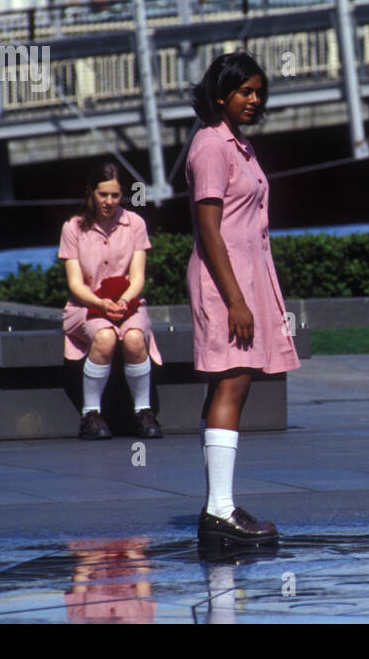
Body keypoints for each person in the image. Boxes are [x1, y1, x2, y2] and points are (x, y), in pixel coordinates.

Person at [186, 51, 299, 547]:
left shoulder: (239, 146)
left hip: (243, 280)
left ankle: (219, 503)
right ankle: (220, 511)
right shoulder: (212, 146)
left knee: (231, 387)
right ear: (220, 96)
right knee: (231, 384)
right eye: (244, 92)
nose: (255, 100)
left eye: (259, 92)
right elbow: (209, 229)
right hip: (224, 282)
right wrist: (235, 299)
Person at [59, 161, 164, 440]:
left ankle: (143, 411)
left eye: (115, 196)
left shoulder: (135, 224)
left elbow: (138, 277)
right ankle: (90, 414)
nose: (109, 201)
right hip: (86, 306)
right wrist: (102, 304)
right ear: (91, 193)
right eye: (103, 194)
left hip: (126, 303)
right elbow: (74, 283)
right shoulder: (73, 228)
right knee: (104, 337)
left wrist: (124, 301)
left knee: (133, 338)